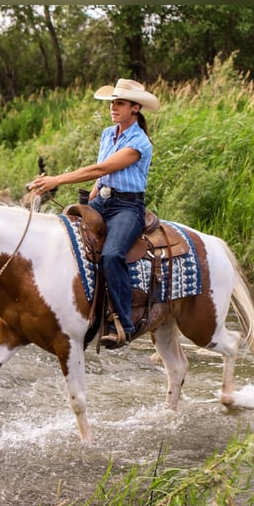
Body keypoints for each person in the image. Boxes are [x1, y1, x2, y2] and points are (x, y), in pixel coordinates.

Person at [29, 78, 160, 349]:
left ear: (135, 108)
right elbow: (101, 176)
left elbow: (101, 169)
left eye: (120, 103)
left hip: (127, 207)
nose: (114, 107)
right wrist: (91, 196)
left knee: (112, 254)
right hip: (103, 199)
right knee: (62, 231)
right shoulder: (107, 134)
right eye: (113, 102)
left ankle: (123, 322)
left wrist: (57, 180)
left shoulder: (139, 142)